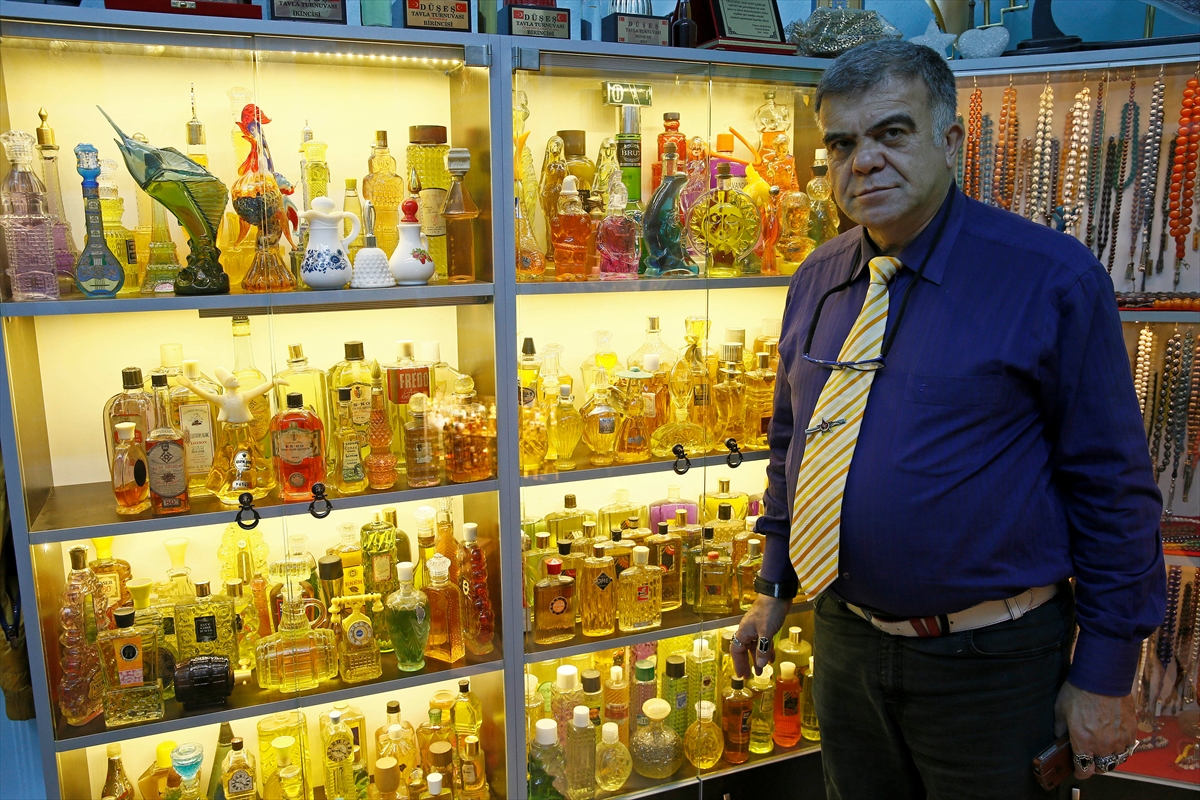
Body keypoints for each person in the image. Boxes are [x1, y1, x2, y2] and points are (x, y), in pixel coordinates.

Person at [732, 39, 1164, 799]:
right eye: (842, 143)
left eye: (891, 133)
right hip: (846, 645)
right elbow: (792, 444)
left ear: (951, 140)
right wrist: (774, 583)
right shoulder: (819, 280)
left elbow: (1114, 488)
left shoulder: (1050, 279)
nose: (863, 162)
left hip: (991, 665)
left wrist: (1104, 672)